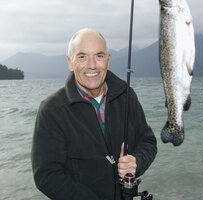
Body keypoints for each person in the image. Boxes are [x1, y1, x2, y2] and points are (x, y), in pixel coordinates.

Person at [31, 28, 157, 200]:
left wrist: (136, 162)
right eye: (82, 56)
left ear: (108, 60)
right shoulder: (51, 110)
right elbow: (46, 175)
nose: (92, 65)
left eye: (99, 56)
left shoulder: (127, 96)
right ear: (70, 62)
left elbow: (147, 141)